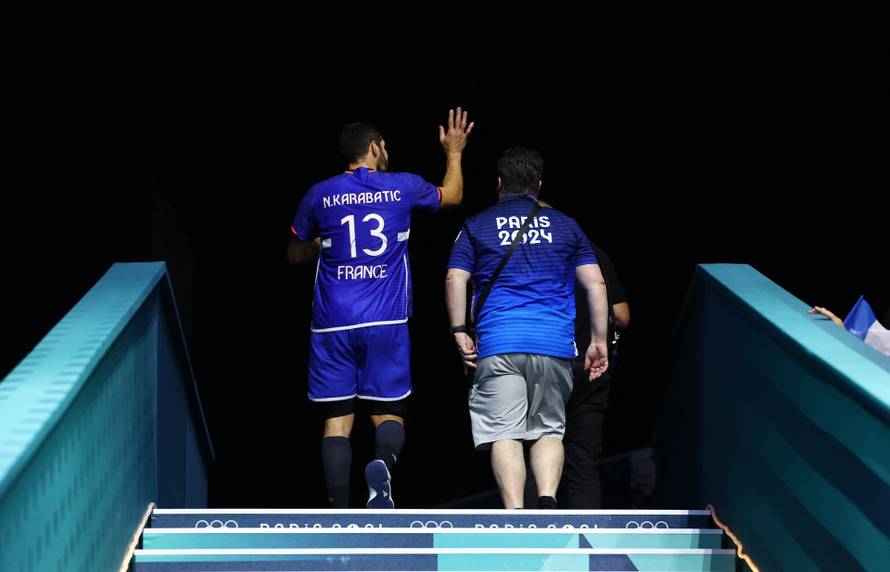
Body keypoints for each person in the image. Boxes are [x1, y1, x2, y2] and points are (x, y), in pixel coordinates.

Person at [287, 109, 474, 508]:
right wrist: (454, 151)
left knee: (336, 420)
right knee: (388, 413)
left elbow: (293, 254)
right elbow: (452, 196)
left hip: (331, 323)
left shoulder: (319, 194)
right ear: (374, 147)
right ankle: (383, 464)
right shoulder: (403, 186)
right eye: (384, 146)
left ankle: (338, 507)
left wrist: (317, 246)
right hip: (386, 319)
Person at [445, 147, 609, 509]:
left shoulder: (477, 224)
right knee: (550, 429)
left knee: (505, 433)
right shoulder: (567, 225)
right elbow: (596, 284)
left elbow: (456, 277)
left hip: (499, 343)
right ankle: (548, 500)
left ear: (499, 183)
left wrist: (458, 329)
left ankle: (516, 512)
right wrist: (598, 341)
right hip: (553, 345)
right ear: (538, 184)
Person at [561, 244, 630, 509]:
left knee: (535, 449)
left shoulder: (528, 253)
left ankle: (532, 529)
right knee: (583, 456)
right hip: (592, 367)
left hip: (543, 363)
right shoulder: (595, 254)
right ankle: (586, 532)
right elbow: (622, 316)